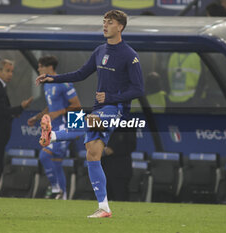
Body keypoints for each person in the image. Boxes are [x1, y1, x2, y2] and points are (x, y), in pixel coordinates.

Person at [36, 10, 144, 218]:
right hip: (100, 108)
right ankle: (104, 208)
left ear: (120, 27)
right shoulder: (100, 50)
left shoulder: (129, 55)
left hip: (116, 109)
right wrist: (52, 78)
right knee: (92, 155)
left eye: (109, 22)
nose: (105, 25)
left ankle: (54, 135)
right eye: (104, 22)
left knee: (90, 121)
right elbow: (80, 74)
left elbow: (138, 89)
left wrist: (111, 98)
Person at [27, 55, 81, 200]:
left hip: (64, 128)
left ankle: (56, 189)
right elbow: (51, 107)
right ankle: (62, 197)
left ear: (49, 68)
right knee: (57, 164)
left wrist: (60, 112)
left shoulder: (64, 83)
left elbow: (77, 105)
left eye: (40, 66)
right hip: (52, 127)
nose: (38, 69)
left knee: (44, 155)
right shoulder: (47, 84)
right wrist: (37, 117)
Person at [0, 59, 33, 197]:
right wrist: (20, 107)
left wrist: (12, 114)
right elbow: (1, 111)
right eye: (7, 71)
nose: (10, 74)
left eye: (12, 71)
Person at [101, 127, 136, 201]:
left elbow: (131, 145)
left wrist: (113, 150)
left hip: (120, 169)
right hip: (104, 167)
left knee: (120, 197)